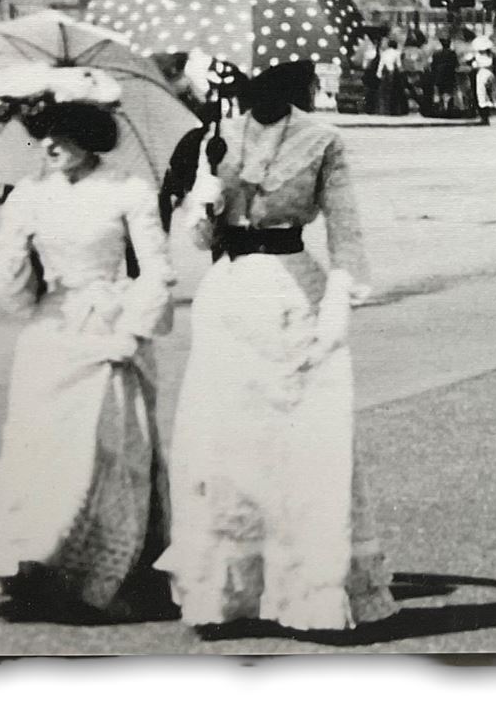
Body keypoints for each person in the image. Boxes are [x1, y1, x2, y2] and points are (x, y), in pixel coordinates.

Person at [162, 59, 396, 632]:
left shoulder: (322, 141)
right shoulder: (217, 137)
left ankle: (305, 591)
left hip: (293, 293)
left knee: (296, 441)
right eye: (250, 78)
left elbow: (347, 235)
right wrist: (208, 191)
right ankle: (229, 593)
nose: (258, 88)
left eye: (272, 78)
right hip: (229, 294)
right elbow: (199, 238)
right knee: (224, 441)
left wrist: (337, 310)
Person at [0, 77, 175, 619]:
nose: (49, 145)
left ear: (89, 134)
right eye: (42, 133)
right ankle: (29, 565)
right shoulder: (29, 193)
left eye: (63, 133)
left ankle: (98, 575)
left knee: (100, 453)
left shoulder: (128, 190)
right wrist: (7, 247)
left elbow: (157, 271)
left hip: (106, 328)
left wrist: (133, 329)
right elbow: (13, 293)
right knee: (36, 447)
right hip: (51, 333)